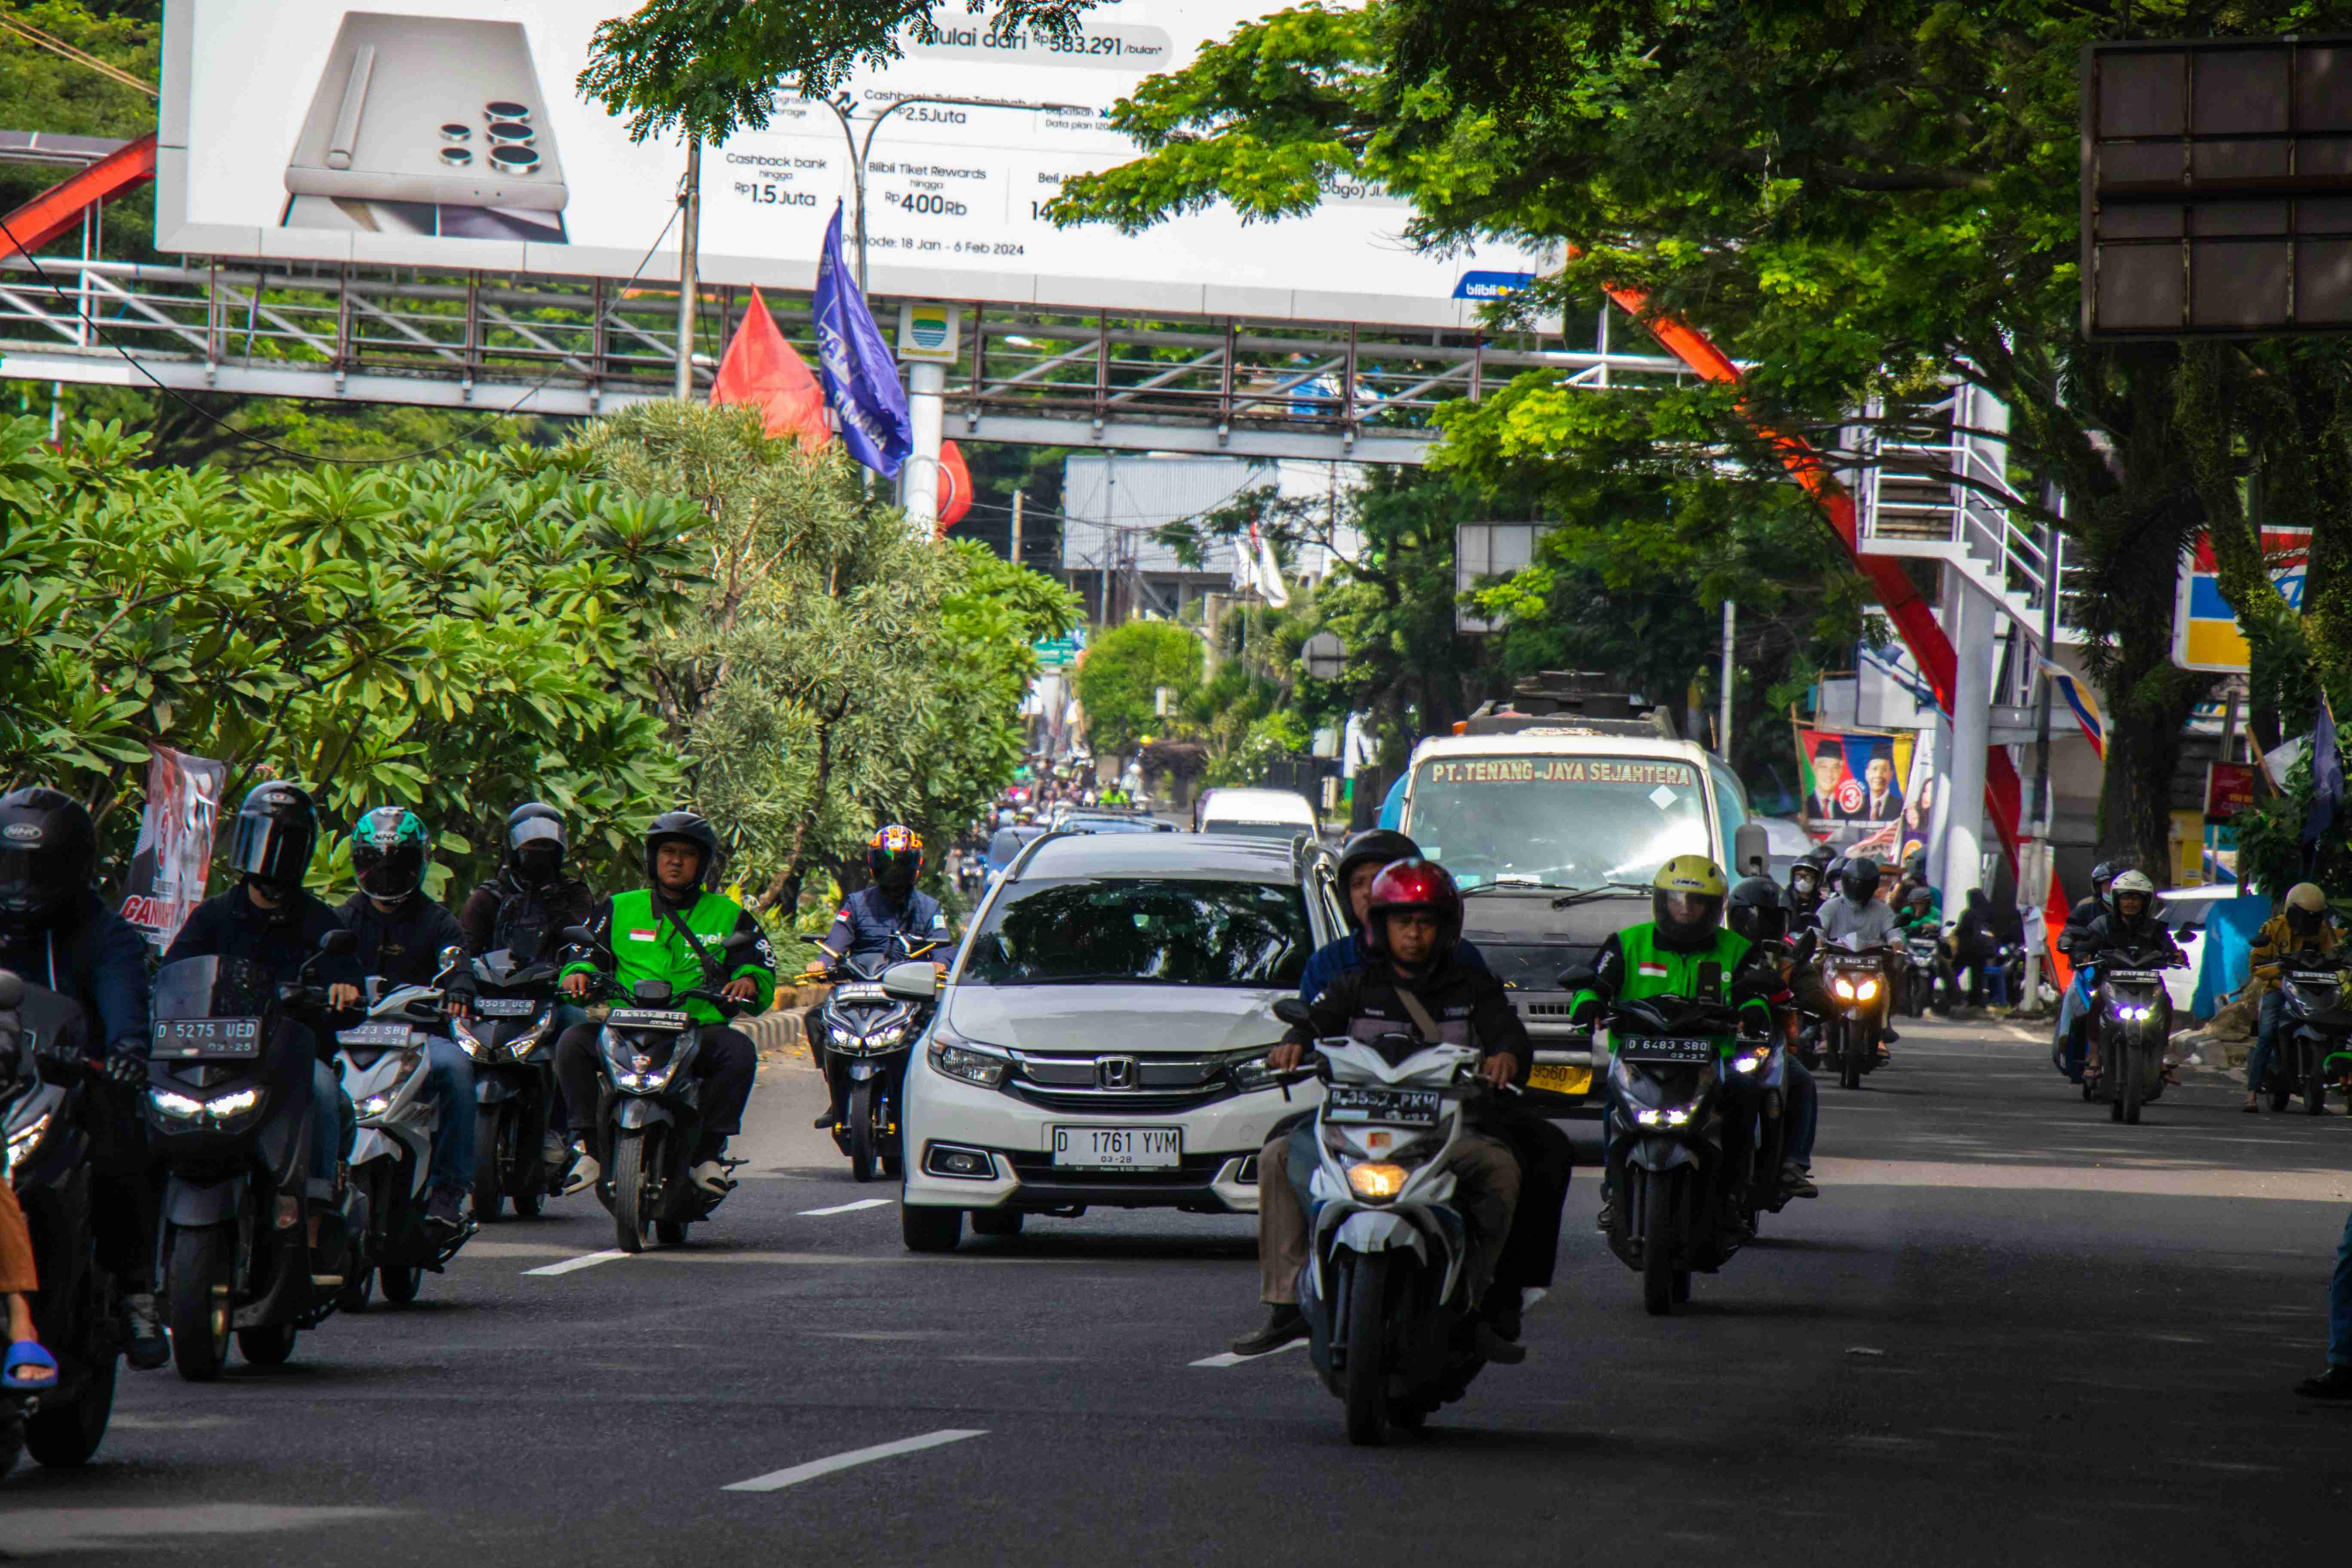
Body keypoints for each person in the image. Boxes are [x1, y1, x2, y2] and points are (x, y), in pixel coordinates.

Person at [1228, 860, 1529, 1363]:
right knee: (1279, 1155)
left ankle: (1477, 1303)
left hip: (1445, 1135)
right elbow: (1312, 1021)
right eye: (1402, 922)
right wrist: (1293, 1044)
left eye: (1425, 922)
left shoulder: (1472, 986)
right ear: (1380, 926)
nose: (1413, 934)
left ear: (1444, 927)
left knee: (1503, 1168)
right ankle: (1286, 1306)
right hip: (1353, 1127)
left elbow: (1509, 1035)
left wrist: (1506, 1057)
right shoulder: (1352, 985)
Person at [0, 786, 169, 1370]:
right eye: (10, 866)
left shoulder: (106, 936)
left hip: (68, 1088)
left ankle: (134, 1290)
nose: (21, 883)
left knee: (123, 1138)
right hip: (2, 1090)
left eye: (38, 868)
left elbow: (124, 1003)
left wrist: (124, 1050)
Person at [163, 783, 361, 1249]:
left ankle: (312, 1219)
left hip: (289, 1060)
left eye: (285, 842)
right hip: (215, 1058)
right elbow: (173, 976)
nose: (271, 853)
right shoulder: (213, 916)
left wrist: (342, 991)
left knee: (325, 1091)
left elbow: (349, 984)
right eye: (263, 836)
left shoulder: (322, 922)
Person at [555, 812, 774, 1195]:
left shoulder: (729, 914)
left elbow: (759, 963)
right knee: (572, 1042)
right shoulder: (620, 907)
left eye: (687, 854)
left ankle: (708, 1154)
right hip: (625, 1025)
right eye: (668, 851)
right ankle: (590, 1149)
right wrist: (578, 972)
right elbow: (585, 951)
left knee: (739, 1051)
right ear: (654, 858)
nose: (676, 860)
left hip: (696, 1028)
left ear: (702, 863)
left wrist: (748, 980)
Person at [1571, 856, 1779, 1231]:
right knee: (1613, 1099)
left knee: (1747, 1093)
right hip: (1638, 1057)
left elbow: (1756, 988)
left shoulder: (1736, 947)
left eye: (1696, 902)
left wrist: (1754, 1008)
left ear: (1715, 907)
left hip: (1711, 1059)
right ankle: (1614, 1191)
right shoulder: (1626, 943)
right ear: (1661, 901)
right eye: (1677, 900)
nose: (1686, 910)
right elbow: (1592, 982)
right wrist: (1587, 1002)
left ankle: (1733, 1195)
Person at [334, 806, 477, 1235]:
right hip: (349, 1038)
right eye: (375, 862)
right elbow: (318, 963)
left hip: (419, 1039)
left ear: (420, 863)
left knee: (457, 1070)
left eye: (397, 864)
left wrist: (461, 991)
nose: (384, 873)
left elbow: (458, 967)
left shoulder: (439, 922)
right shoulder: (341, 919)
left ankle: (449, 1191)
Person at [805, 825, 951, 1129]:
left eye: (903, 862)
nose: (895, 870)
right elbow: (835, 944)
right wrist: (821, 963)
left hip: (908, 994)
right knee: (816, 1019)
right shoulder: (856, 904)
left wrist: (939, 966)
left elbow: (943, 948)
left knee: (937, 1026)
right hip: (860, 989)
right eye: (888, 862)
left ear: (917, 865)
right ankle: (837, 1095)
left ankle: (927, 1100)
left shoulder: (929, 907)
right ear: (874, 864)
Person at [1726, 875, 1822, 1202]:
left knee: (1802, 1082)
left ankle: (1793, 1164)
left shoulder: (1789, 957)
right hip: (1717, 1041)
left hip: (1769, 1045)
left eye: (1771, 919)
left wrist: (1810, 996)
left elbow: (1818, 996)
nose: (1761, 927)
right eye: (1754, 918)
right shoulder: (1719, 949)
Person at [2243, 882, 2342, 1113]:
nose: (2309, 923)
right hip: (2279, 990)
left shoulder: (2324, 930)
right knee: (2267, 1034)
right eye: (2304, 916)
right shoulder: (2273, 928)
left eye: (2314, 917)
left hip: (2314, 990)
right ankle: (2252, 1093)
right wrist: (2278, 970)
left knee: (2338, 1024)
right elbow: (2256, 965)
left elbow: (2334, 953)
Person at [2076, 870, 2181, 1081]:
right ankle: (2094, 1058)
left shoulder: (2155, 928)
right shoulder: (2103, 924)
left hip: (2147, 983)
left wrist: (2178, 956)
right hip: (2111, 981)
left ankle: (2160, 1060)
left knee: (2166, 1005)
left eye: (2136, 898)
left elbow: (2170, 948)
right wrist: (2083, 954)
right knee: (2095, 1005)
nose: (2130, 903)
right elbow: (2086, 944)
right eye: (2126, 897)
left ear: (2145, 901)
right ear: (2117, 899)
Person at [457, 802, 596, 962]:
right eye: (532, 844)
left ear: (557, 849)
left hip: (559, 982)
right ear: (514, 848)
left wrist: (554, 902)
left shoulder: (574, 894)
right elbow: (465, 952)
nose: (539, 851)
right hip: (497, 984)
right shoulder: (488, 897)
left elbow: (586, 946)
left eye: (545, 844)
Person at [1815, 855, 1903, 1048]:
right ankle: (1819, 1029)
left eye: (1863, 884)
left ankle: (1883, 1026)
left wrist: (1897, 945)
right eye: (1854, 883)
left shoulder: (1882, 910)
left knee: (1890, 980)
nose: (1858, 888)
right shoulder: (1832, 906)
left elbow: (1894, 932)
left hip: (1872, 963)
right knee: (1815, 975)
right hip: (1837, 961)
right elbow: (1818, 929)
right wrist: (1818, 944)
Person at [2052, 860, 2123, 1081]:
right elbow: (2071, 934)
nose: (2114, 890)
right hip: (2095, 974)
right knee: (2081, 1005)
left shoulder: (2141, 916)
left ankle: (2158, 1059)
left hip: (2132, 977)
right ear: (2098, 887)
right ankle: (2077, 1055)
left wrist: (2173, 953)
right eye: (2108, 885)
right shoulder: (2086, 911)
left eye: (2119, 885)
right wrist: (2076, 951)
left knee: (2162, 1003)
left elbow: (2161, 940)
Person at [1788, 844, 1835, 923]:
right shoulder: (1787, 899)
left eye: (1809, 877)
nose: (1825, 870)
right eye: (1799, 877)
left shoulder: (1837, 890)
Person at [1858, 754, 1904, 822]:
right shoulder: (1857, 805)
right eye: (1874, 769)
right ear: (1867, 773)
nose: (1879, 775)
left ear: (1891, 774)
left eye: (1884, 770)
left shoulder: (1901, 807)